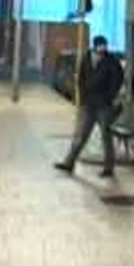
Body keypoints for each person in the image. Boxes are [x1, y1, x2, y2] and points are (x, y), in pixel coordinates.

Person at [54, 36, 124, 178]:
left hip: (103, 105)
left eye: (104, 45)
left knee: (106, 137)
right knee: (81, 135)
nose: (102, 48)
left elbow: (118, 79)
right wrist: (82, 95)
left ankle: (109, 168)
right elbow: (80, 78)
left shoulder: (112, 61)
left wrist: (109, 96)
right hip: (88, 104)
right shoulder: (86, 59)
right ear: (94, 46)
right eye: (100, 45)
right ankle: (69, 163)